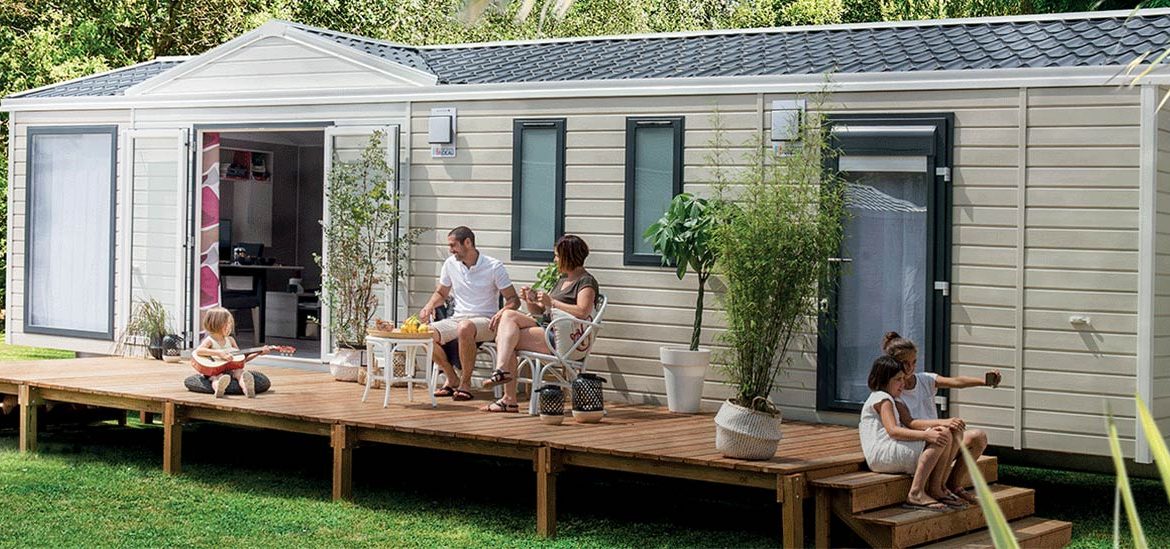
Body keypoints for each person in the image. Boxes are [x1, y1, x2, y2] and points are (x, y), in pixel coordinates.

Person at [482, 235, 599, 413]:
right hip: (547, 328)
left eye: (557, 256)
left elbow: (582, 311)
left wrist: (551, 301)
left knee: (506, 338)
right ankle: (503, 376)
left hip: (564, 338)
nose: (555, 260)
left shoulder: (586, 282)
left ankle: (507, 393)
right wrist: (531, 300)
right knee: (508, 318)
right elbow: (540, 312)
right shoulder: (562, 280)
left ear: (569, 256)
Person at [883, 331, 995, 504]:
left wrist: (984, 381)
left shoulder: (925, 380)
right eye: (904, 363)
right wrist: (943, 421)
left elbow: (956, 381)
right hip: (920, 444)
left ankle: (953, 485)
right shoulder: (894, 391)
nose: (910, 368)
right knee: (947, 431)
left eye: (913, 362)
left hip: (941, 440)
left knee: (977, 437)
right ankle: (936, 488)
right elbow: (911, 423)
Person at [419, 226, 520, 402]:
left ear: (468, 242)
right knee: (423, 333)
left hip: (486, 321)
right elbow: (442, 294)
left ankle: (465, 384)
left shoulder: (494, 266)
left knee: (465, 327)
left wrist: (503, 311)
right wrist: (429, 306)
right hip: (458, 318)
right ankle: (452, 377)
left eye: (453, 245)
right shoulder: (450, 264)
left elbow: (514, 300)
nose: (450, 250)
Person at [860, 355, 959, 511]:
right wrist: (926, 435)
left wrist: (931, 432)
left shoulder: (890, 399)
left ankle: (936, 488)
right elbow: (893, 431)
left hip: (888, 451)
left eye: (903, 379)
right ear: (885, 380)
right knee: (940, 436)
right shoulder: (882, 398)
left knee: (943, 434)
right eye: (898, 380)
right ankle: (916, 493)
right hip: (881, 454)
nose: (903, 384)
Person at [192, 307, 270, 398]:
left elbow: (241, 359)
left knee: (240, 372)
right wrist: (219, 353)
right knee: (216, 377)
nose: (229, 327)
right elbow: (199, 351)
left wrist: (258, 353)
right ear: (216, 324)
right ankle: (219, 388)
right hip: (214, 370)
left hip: (230, 369)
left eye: (230, 324)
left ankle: (247, 389)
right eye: (226, 324)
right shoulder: (210, 340)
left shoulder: (230, 340)